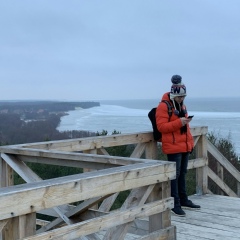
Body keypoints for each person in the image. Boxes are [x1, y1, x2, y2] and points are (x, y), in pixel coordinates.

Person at [156, 75, 200, 217]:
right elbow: (161, 127)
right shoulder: (163, 106)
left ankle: (183, 199)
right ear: (174, 94)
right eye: (180, 96)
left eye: (184, 96)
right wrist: (179, 123)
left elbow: (186, 127)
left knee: (183, 174)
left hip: (184, 145)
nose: (182, 99)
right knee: (174, 176)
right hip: (173, 146)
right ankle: (175, 204)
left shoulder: (182, 106)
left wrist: (191, 143)